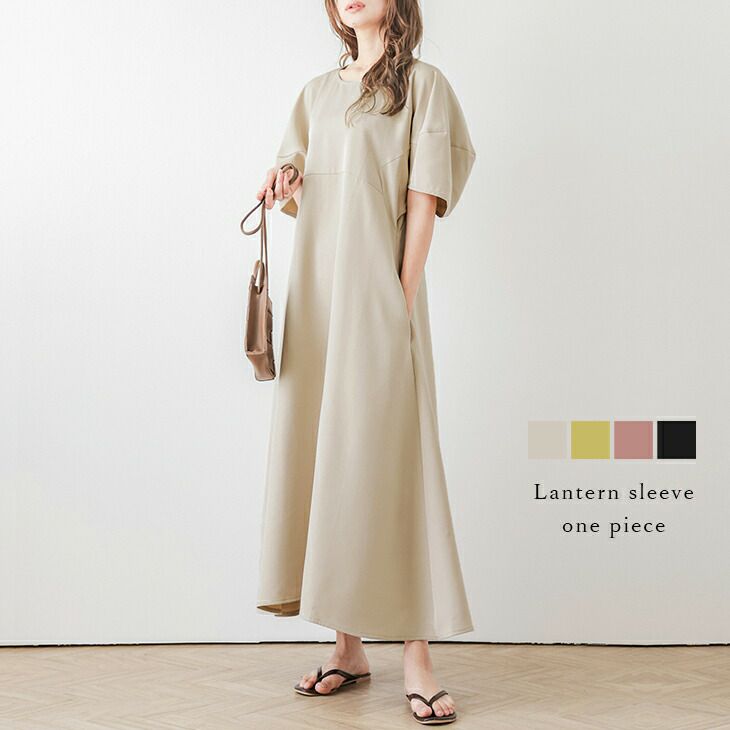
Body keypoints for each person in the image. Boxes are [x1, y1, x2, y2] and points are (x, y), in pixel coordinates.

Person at [254, 0, 476, 724]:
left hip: (379, 299)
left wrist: (399, 299)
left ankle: (417, 655)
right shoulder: (315, 93)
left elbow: (424, 196)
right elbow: (307, 178)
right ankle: (347, 648)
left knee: (395, 463)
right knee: (331, 459)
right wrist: (285, 177)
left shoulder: (423, 85)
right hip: (319, 300)